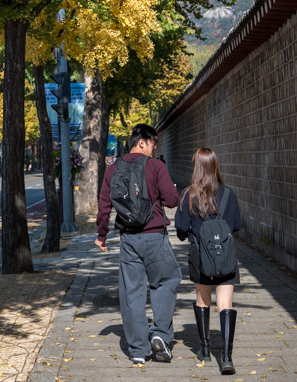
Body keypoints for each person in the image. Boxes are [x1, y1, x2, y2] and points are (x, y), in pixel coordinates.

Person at [96, 123, 181, 366]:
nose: (155, 148)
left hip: (128, 240)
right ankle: (160, 335)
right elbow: (172, 200)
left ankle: (137, 350)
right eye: (153, 143)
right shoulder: (156, 166)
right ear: (142, 141)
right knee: (166, 281)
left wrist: (101, 235)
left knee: (131, 292)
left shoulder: (113, 169)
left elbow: (104, 206)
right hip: (155, 236)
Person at [175, 148, 242, 376]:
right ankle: (226, 356)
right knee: (226, 304)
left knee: (203, 300)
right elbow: (236, 225)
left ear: (197, 168)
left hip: (200, 255)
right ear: (215, 166)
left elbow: (182, 229)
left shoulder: (188, 195)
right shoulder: (229, 194)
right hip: (224, 255)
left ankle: (204, 348)